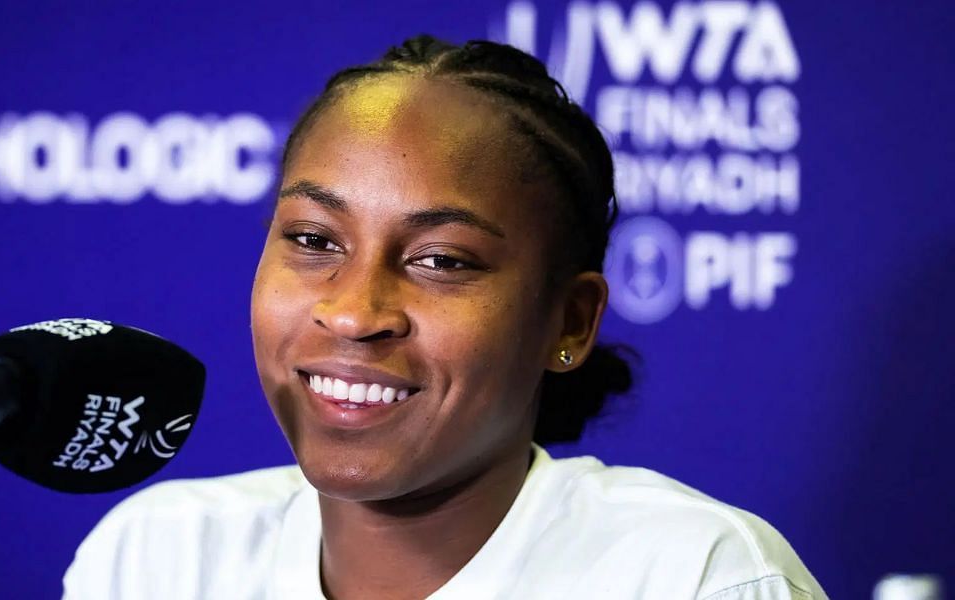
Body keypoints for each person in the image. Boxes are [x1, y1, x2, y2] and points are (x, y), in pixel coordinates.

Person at [62, 35, 826, 599]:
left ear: (571, 321)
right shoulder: (154, 558)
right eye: (313, 240)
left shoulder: (696, 577)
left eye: (442, 260)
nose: (354, 312)